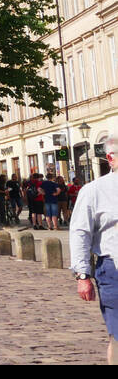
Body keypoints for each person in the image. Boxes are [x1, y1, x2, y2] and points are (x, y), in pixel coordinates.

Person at [71, 137, 118, 364]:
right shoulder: (94, 191)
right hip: (113, 269)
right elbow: (80, 233)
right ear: (110, 158)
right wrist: (83, 275)